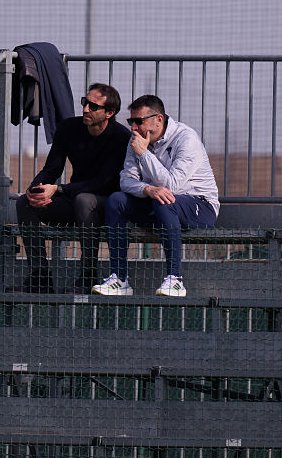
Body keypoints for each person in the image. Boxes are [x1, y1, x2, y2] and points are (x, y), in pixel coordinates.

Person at [93, 95, 219, 298]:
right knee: (116, 200)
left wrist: (144, 154)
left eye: (139, 121)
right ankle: (119, 279)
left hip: (200, 206)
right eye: (131, 121)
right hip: (158, 203)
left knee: (164, 201)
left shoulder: (186, 138)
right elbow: (126, 181)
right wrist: (147, 190)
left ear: (158, 119)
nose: (134, 127)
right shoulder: (137, 141)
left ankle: (175, 280)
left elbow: (173, 185)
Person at [16, 82, 130, 292]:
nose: (86, 109)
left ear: (109, 113)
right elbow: (52, 168)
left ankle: (88, 277)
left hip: (107, 206)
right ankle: (40, 278)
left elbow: (105, 183)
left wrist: (59, 189)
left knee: (84, 199)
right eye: (85, 102)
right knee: (25, 202)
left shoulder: (121, 137)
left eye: (93, 106)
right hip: (75, 200)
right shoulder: (68, 128)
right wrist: (36, 190)